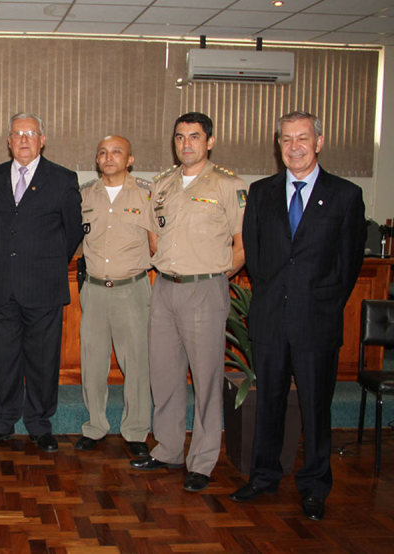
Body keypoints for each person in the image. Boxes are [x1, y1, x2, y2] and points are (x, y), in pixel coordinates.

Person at [230, 111, 365, 521]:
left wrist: (321, 302)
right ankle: (264, 476)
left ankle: (313, 486)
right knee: (269, 401)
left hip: (317, 321)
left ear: (319, 142)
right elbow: (253, 252)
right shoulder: (261, 192)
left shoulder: (345, 195)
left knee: (315, 407)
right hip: (270, 319)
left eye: (302, 138)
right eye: (286, 139)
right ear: (279, 145)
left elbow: (349, 263)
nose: (294, 146)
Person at [130, 112, 246, 493]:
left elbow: (241, 246)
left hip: (204, 289)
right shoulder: (162, 184)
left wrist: (212, 277)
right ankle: (167, 449)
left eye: (194, 137)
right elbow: (153, 235)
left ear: (209, 142)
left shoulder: (228, 185)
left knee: (207, 379)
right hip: (164, 287)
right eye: (180, 137)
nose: (186, 144)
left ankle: (202, 460)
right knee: (164, 375)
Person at [0, 112, 83, 453]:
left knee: (42, 360)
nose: (23, 139)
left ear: (42, 139)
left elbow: (74, 230)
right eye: (17, 134)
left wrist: (46, 264)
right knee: (3, 359)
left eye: (30, 133)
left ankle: (39, 424)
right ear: (8, 141)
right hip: (0, 286)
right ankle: (2, 421)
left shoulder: (63, 179)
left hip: (44, 286)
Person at [75, 135, 153, 455]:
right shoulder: (84, 196)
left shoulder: (148, 194)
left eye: (117, 152)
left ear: (130, 159)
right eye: (103, 153)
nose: (109, 157)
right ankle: (95, 426)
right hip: (94, 290)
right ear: (97, 160)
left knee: (136, 364)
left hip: (132, 289)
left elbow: (157, 241)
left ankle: (136, 431)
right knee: (92, 363)